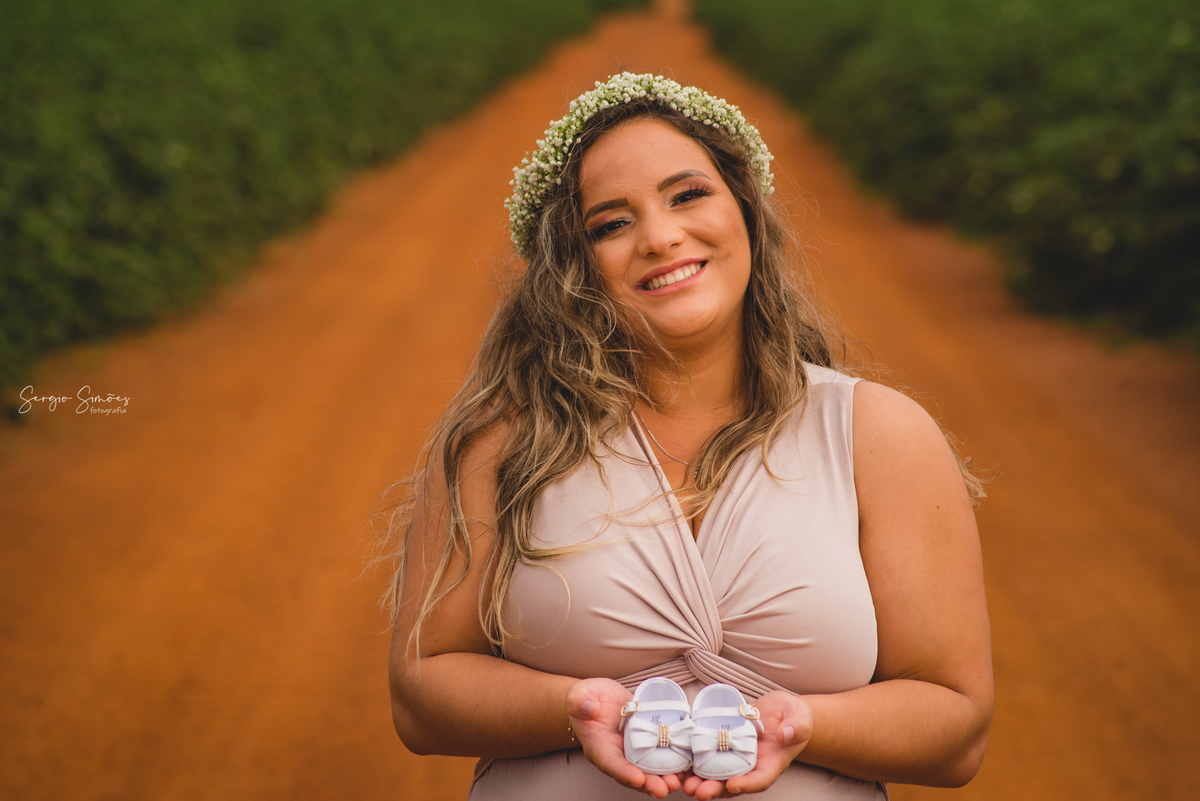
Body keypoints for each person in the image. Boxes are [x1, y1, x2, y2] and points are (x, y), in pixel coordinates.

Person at [381, 73, 993, 800]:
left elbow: (957, 727)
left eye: (687, 195)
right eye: (611, 223)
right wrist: (577, 710)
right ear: (573, 268)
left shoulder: (881, 434)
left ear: (745, 210)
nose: (661, 236)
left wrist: (800, 724)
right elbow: (420, 696)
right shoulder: (505, 442)